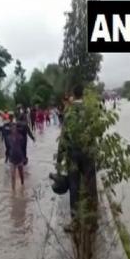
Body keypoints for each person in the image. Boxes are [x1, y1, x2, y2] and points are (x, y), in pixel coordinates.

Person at [56, 84, 98, 231]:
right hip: (88, 152)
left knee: (74, 187)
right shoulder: (90, 111)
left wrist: (59, 158)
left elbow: (64, 137)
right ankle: (93, 222)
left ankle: (75, 223)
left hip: (73, 154)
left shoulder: (69, 113)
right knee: (91, 185)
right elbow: (96, 133)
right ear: (83, 95)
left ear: (74, 94)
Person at [7, 122, 25, 190]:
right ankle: (13, 190)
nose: (13, 129)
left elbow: (23, 148)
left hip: (19, 158)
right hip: (12, 158)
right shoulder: (8, 138)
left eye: (15, 128)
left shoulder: (20, 137)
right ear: (10, 129)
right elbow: (8, 148)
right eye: (12, 128)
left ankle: (23, 185)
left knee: (21, 175)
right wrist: (7, 157)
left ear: (16, 129)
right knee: (12, 176)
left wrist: (24, 157)